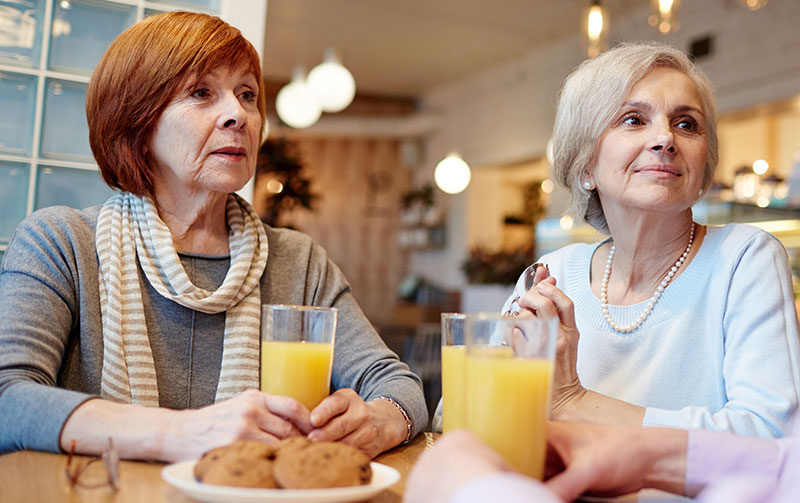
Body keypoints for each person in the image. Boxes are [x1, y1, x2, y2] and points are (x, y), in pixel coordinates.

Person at [0, 11, 426, 462]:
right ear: (137, 125)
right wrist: (181, 432)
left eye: (247, 95)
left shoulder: (297, 261)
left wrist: (380, 419)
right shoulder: (62, 243)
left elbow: (397, 385)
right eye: (201, 93)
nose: (237, 115)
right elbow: (8, 398)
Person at [500, 42, 800, 437]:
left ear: (703, 166)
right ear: (586, 164)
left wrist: (573, 402)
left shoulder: (744, 259)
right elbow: (462, 410)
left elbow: (772, 435)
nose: (665, 139)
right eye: (633, 120)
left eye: (686, 123)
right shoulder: (551, 276)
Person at [405, 418, 800, 503]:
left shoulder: (749, 253)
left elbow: (767, 424)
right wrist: (652, 455)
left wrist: (476, 491)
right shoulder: (551, 270)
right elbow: (448, 414)